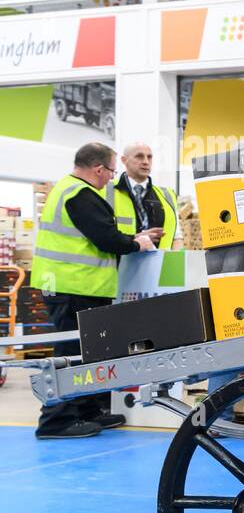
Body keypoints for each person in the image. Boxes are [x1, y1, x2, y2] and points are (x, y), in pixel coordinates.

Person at [31, 143, 162, 439]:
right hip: (70, 285)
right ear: (99, 169)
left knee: (88, 353)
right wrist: (135, 243)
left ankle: (87, 411)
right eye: (112, 171)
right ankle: (55, 420)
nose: (111, 179)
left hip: (80, 285)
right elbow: (104, 237)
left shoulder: (71, 190)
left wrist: (131, 238)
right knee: (69, 354)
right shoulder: (80, 194)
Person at [108, 142, 179, 249]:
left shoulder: (167, 195)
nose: (146, 162)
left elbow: (177, 236)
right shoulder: (106, 190)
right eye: (139, 156)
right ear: (124, 160)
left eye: (149, 157)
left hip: (160, 264)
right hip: (120, 263)